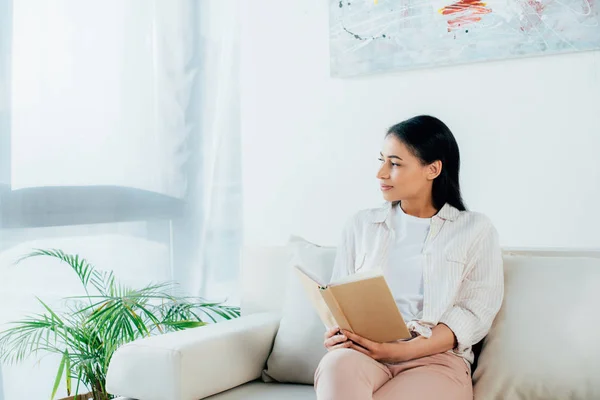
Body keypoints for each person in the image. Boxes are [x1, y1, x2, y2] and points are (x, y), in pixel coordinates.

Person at [314, 115, 504, 400]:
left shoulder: (474, 230)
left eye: (394, 163)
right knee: (336, 366)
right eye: (381, 161)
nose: (380, 173)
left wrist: (398, 350)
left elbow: (471, 314)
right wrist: (338, 333)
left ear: (433, 169)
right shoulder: (361, 225)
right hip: (366, 355)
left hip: (436, 360)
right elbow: (340, 298)